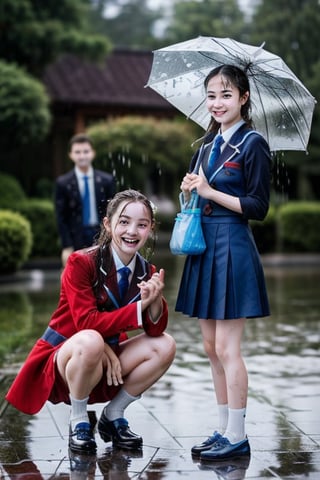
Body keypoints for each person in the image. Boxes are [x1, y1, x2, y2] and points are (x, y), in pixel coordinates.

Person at [6, 189, 176, 454]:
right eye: (124, 222)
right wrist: (136, 310)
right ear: (108, 225)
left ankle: (113, 415)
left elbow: (155, 329)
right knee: (92, 340)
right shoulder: (81, 262)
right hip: (67, 355)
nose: (132, 231)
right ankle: (79, 420)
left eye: (141, 225)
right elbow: (86, 321)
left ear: (150, 229)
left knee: (165, 345)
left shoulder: (146, 270)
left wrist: (154, 301)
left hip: (106, 360)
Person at [176, 65, 271, 461]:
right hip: (204, 247)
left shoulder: (253, 144)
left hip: (232, 244)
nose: (217, 103)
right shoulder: (205, 146)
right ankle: (222, 429)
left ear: (243, 99)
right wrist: (190, 192)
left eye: (226, 95)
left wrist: (211, 192)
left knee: (229, 349)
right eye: (212, 95)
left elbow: (258, 207)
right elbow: (200, 200)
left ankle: (239, 433)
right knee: (211, 348)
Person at [54, 133, 116, 267]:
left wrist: (112, 239)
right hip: (76, 235)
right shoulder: (63, 183)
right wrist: (66, 245)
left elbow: (113, 212)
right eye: (77, 152)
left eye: (86, 151)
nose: (82, 156)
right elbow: (61, 217)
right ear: (71, 155)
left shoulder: (107, 180)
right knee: (77, 278)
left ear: (93, 153)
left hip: (101, 233)